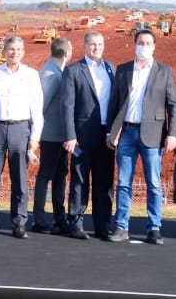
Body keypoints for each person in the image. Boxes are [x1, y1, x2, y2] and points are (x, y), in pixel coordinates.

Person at [106, 28, 176, 245]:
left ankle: (154, 227)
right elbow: (114, 102)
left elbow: (173, 105)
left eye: (148, 43)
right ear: (135, 44)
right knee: (123, 182)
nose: (144, 46)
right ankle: (121, 226)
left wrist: (172, 134)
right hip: (127, 133)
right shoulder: (123, 70)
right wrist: (111, 131)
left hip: (153, 134)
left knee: (154, 183)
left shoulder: (164, 71)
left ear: (154, 47)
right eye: (140, 42)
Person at [0, 35, 43, 238]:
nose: (15, 53)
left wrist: (35, 137)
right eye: (11, 49)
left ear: (23, 52)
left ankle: (19, 223)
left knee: (20, 178)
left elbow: (37, 109)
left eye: (18, 49)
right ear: (4, 52)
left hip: (20, 129)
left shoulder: (31, 75)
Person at [61, 30, 115, 240]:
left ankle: (103, 224)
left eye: (100, 44)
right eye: (92, 44)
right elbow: (67, 106)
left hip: (106, 134)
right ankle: (76, 222)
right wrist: (70, 136)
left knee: (105, 180)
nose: (96, 48)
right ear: (84, 46)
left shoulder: (111, 69)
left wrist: (115, 132)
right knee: (79, 179)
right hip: (82, 135)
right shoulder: (74, 70)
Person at [32, 37, 72, 234]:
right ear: (66, 53)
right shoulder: (51, 74)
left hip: (59, 135)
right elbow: (42, 105)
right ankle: (39, 218)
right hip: (50, 135)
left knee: (59, 175)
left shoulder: (56, 70)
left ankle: (59, 216)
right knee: (46, 175)